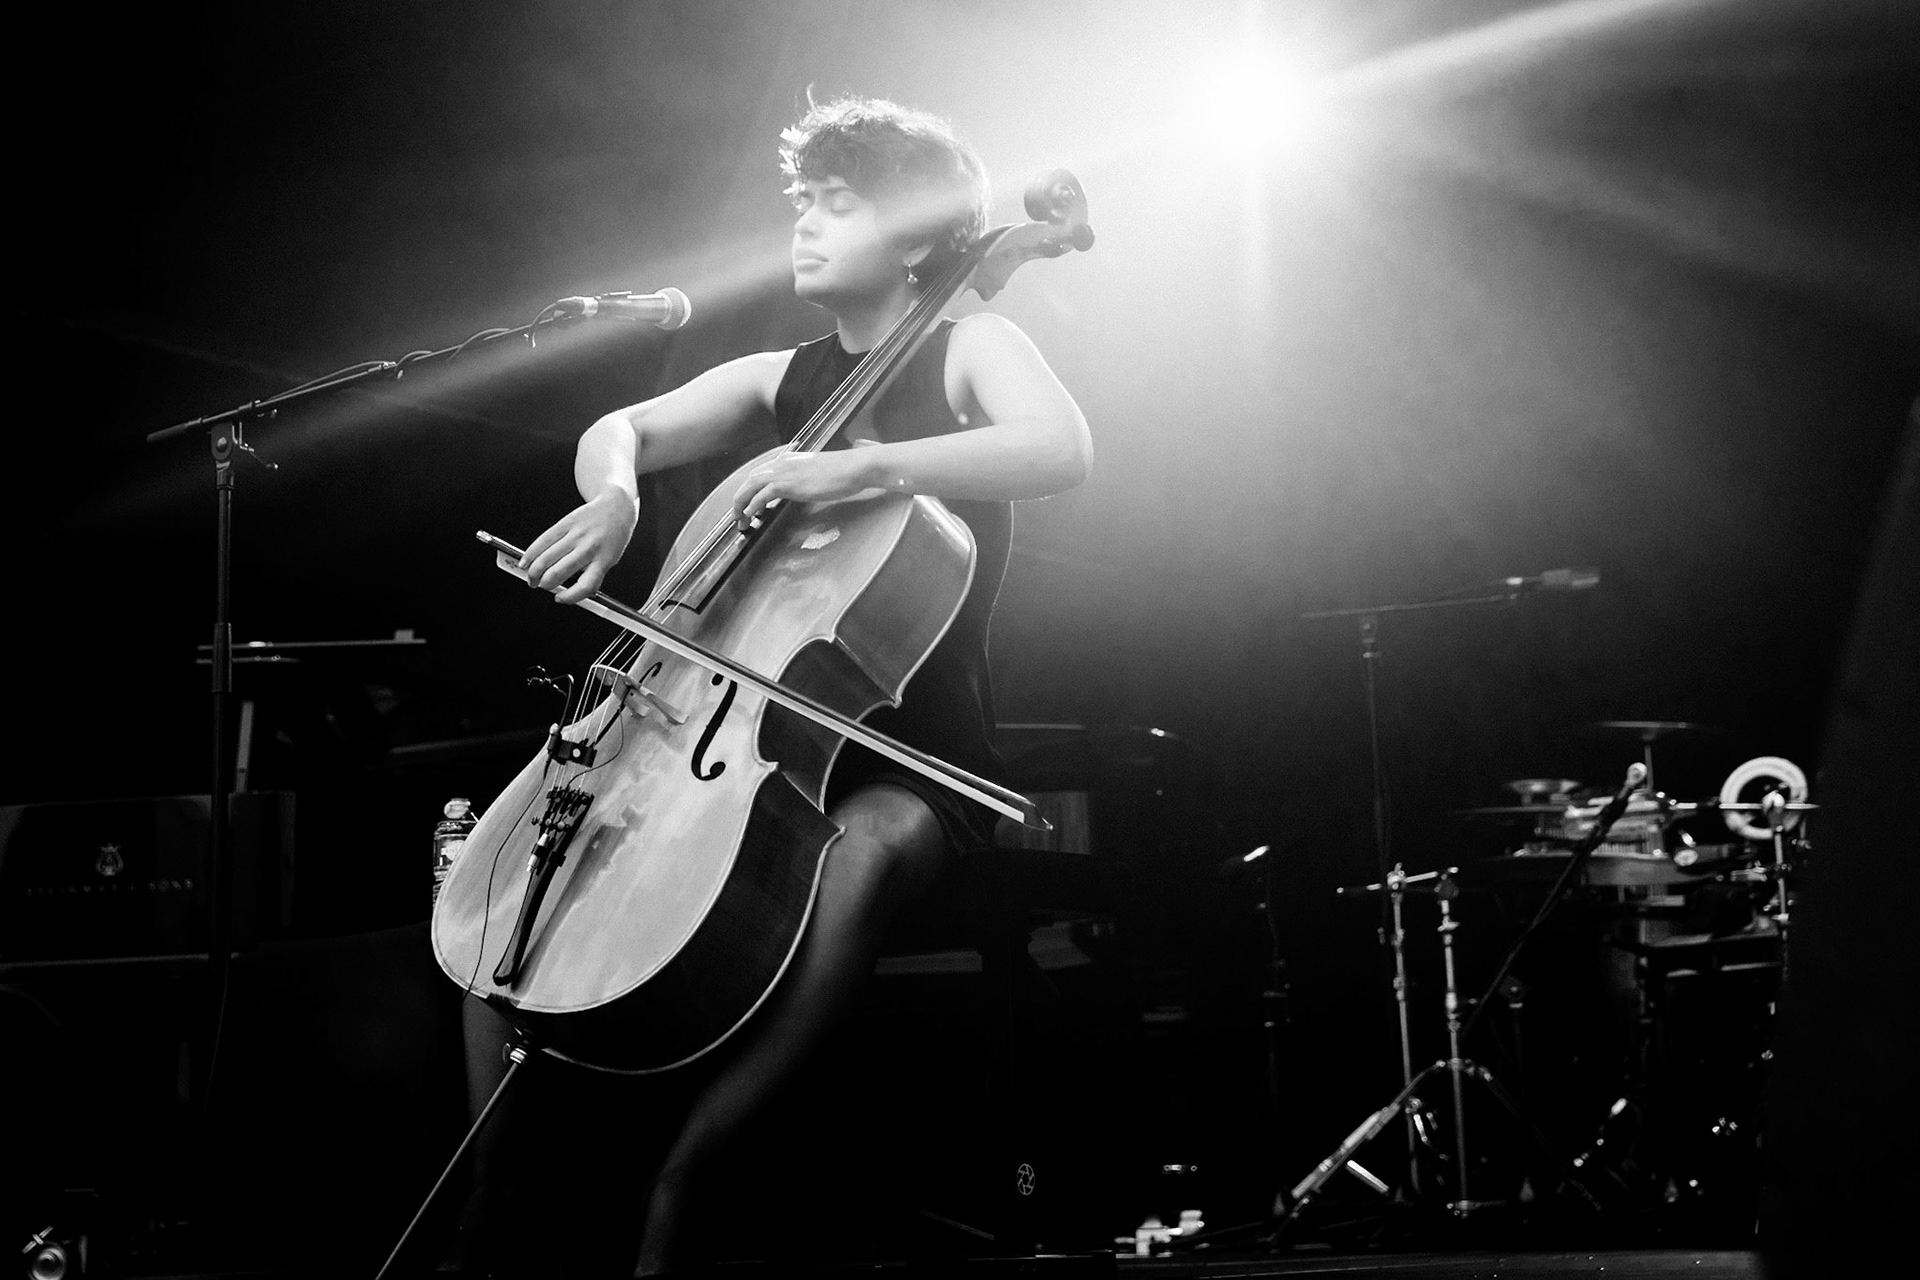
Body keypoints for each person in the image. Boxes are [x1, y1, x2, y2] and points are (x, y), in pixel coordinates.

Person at [444, 95, 1090, 1277]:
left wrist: (863, 470)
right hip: (730, 736)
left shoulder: (971, 349)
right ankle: (499, 1189)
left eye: (836, 207)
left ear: (913, 237)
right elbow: (619, 425)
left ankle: (695, 1173)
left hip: (907, 758)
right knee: (517, 879)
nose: (802, 226)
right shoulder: (779, 377)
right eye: (801, 203)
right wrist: (620, 497)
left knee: (862, 844)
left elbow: (1061, 448)